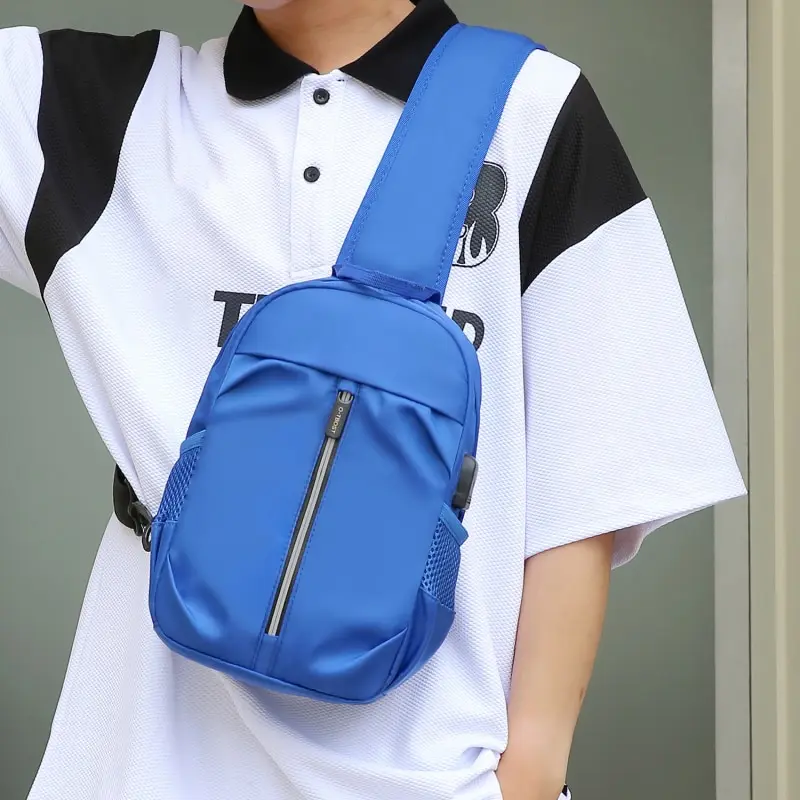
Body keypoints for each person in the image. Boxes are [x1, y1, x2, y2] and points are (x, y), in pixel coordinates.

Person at [0, 1, 746, 799]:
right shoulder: (82, 106)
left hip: (436, 775)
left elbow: (591, 486)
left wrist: (528, 775)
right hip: (136, 770)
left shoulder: (529, 108)